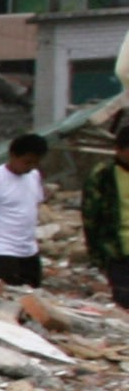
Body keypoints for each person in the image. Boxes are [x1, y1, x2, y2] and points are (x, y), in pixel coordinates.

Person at [0, 132, 51, 291]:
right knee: (8, 296)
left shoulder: (33, 176)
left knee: (33, 296)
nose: (30, 166)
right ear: (12, 155)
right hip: (2, 251)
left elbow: (33, 205)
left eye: (35, 162)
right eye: (26, 162)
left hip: (29, 250)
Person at [84, 113, 129, 311]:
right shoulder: (103, 175)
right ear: (118, 150)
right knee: (123, 301)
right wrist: (96, 255)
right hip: (116, 250)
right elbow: (91, 216)